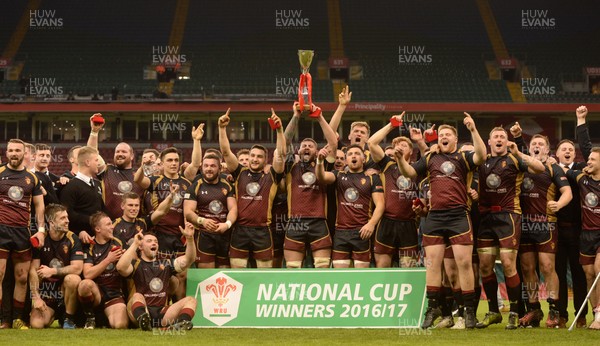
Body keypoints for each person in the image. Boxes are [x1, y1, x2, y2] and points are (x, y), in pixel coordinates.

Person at [396, 113, 487, 329]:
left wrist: (473, 129)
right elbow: (409, 173)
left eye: (448, 134)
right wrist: (400, 159)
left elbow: (482, 156)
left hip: (458, 215)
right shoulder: (430, 158)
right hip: (435, 216)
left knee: (464, 264)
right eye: (441, 135)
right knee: (432, 264)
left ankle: (469, 313)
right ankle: (432, 308)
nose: (444, 137)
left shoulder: (463, 158)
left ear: (455, 140)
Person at [475, 126, 545, 330]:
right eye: (495, 136)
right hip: (486, 217)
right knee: (485, 266)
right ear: (489, 141)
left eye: (502, 137)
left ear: (507, 142)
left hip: (508, 216)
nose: (499, 139)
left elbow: (539, 168)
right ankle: (493, 312)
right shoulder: (481, 159)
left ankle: (514, 312)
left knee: (508, 264)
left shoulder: (514, 159)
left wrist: (518, 151)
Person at [514, 132, 572, 328]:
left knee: (547, 268)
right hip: (525, 224)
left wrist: (559, 204)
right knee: (527, 269)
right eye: (534, 144)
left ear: (547, 149)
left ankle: (554, 309)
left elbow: (568, 192)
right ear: (529, 149)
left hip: (545, 224)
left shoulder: (553, 167)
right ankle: (533, 309)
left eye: (541, 144)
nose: (537, 146)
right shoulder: (521, 166)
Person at [219, 108, 286, 269]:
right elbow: (226, 152)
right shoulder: (239, 172)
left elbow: (281, 154)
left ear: (265, 160)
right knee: (237, 272)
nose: (255, 159)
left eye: (259, 157)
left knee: (264, 275)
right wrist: (222, 129)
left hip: (263, 231)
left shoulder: (272, 176)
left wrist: (279, 130)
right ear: (248, 157)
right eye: (253, 156)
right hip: (240, 230)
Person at [282, 102, 338, 269]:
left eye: (310, 146)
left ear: (316, 150)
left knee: (322, 269)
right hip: (295, 221)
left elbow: (333, 143)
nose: (306, 147)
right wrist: (296, 116)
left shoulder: (323, 163)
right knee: (292, 268)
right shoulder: (291, 164)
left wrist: (319, 116)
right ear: (299, 150)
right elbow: (284, 142)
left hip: (319, 222)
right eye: (304, 146)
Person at [553, 105, 593, 327]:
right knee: (558, 274)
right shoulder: (549, 170)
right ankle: (561, 315)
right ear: (556, 154)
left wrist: (581, 121)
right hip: (556, 230)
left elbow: (588, 150)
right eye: (563, 149)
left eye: (570, 148)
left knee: (579, 275)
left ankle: (581, 315)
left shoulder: (581, 168)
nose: (568, 151)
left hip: (579, 230)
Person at [133, 146, 191, 299]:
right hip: (160, 235)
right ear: (162, 163)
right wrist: (143, 166)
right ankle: (161, 310)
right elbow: (138, 180)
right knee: (161, 276)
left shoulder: (186, 183)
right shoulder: (155, 180)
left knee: (182, 276)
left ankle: (178, 314)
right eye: (169, 160)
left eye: (176, 160)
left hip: (179, 236)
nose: (173, 163)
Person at [116, 223, 197, 331]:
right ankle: (145, 322)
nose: (154, 243)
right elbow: (120, 268)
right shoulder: (136, 264)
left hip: (162, 313)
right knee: (137, 296)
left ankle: (180, 324)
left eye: (156, 241)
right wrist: (135, 244)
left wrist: (190, 238)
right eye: (149, 241)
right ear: (141, 247)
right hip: (142, 310)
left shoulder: (166, 263)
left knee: (191, 300)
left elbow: (189, 259)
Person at [0, 139, 45, 329]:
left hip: (22, 233)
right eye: (10, 150)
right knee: (0, 274)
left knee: (21, 277)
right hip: (1, 229)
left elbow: (39, 206)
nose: (13, 153)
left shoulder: (32, 178)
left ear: (24, 153)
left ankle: (18, 319)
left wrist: (41, 230)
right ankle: (3, 320)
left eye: (17, 150)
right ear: (6, 153)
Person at [315, 144, 384, 269]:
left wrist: (371, 224)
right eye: (350, 154)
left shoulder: (373, 178)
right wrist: (319, 161)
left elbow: (380, 204)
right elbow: (321, 177)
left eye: (357, 154)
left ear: (364, 159)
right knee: (341, 277)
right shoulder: (338, 175)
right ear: (346, 160)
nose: (354, 156)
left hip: (362, 232)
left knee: (361, 277)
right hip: (341, 233)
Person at [367, 113, 420, 268]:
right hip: (387, 222)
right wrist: (392, 125)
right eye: (397, 145)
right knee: (382, 266)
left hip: (409, 223)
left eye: (404, 145)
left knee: (408, 267)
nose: (400, 147)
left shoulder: (418, 167)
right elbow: (371, 143)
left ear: (411, 151)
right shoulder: (387, 164)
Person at [29, 204, 83, 329]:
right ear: (51, 222)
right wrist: (36, 298)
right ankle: (55, 313)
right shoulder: (41, 239)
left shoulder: (72, 238)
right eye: (63, 218)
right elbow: (33, 270)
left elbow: (78, 268)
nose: (67, 221)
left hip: (65, 291)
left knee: (73, 279)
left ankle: (68, 318)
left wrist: (53, 271)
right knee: (36, 324)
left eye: (67, 217)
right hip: (47, 292)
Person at [565, 147, 600, 329]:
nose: (589, 162)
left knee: (598, 269)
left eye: (593, 159)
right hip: (586, 234)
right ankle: (596, 313)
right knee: (589, 275)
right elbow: (564, 170)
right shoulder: (582, 178)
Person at [184, 154, 237, 268]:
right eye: (206, 166)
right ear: (201, 168)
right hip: (204, 236)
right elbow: (188, 212)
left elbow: (233, 209)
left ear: (219, 168)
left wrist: (227, 225)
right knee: (206, 276)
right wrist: (202, 221)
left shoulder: (227, 185)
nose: (209, 169)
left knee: (225, 275)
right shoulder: (195, 187)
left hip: (225, 235)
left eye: (213, 166)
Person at [87, 116, 145, 220]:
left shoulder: (139, 176)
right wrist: (94, 132)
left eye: (124, 152)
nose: (120, 154)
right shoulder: (107, 170)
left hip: (134, 227)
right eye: (117, 151)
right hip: (108, 225)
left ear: (132, 156)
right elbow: (92, 153)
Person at [77, 212, 128, 329]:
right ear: (98, 229)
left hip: (114, 295)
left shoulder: (118, 243)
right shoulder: (89, 246)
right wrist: (108, 260)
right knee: (84, 285)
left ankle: (106, 319)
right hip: (97, 294)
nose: (112, 226)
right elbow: (87, 274)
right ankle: (90, 318)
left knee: (120, 325)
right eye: (108, 224)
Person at [59, 146, 104, 245]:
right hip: (79, 239)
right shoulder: (70, 186)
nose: (99, 163)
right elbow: (68, 214)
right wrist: (88, 224)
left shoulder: (98, 184)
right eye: (96, 160)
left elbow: (101, 208)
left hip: (98, 237)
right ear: (88, 162)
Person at [113, 183, 179, 249]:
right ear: (122, 206)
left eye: (136, 205)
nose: (134, 209)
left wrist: (171, 195)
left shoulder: (143, 222)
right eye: (130, 205)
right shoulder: (114, 225)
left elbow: (161, 211)